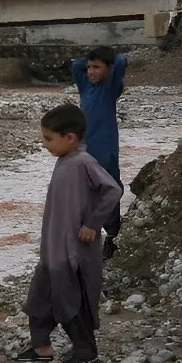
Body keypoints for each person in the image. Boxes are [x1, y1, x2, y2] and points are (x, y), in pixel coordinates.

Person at [16, 104, 122, 363]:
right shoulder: (65, 161)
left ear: (70, 138)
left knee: (70, 299)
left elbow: (112, 190)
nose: (44, 145)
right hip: (53, 248)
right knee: (39, 297)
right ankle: (41, 346)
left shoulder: (84, 162)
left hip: (72, 249)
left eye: (48, 139)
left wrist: (93, 224)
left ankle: (86, 350)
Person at [72, 45, 126, 259]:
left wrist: (108, 54)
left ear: (108, 69)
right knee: (85, 196)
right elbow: (76, 66)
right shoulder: (86, 86)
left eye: (97, 67)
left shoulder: (110, 87)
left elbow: (121, 62)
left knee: (109, 192)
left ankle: (113, 236)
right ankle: (88, 239)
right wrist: (90, 57)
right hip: (84, 152)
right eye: (89, 67)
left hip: (106, 151)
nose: (91, 71)